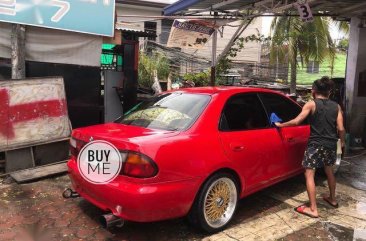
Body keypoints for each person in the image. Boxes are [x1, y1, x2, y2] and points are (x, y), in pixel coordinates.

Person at [275, 76, 346, 218]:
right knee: (329, 171)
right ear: (329, 92)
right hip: (331, 143)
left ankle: (313, 209)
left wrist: (281, 125)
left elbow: (297, 121)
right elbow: (341, 128)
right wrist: (342, 142)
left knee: (309, 174)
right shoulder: (336, 106)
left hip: (316, 144)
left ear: (314, 91)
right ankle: (332, 199)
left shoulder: (311, 104)